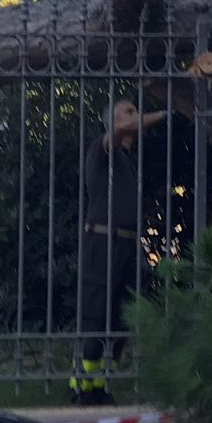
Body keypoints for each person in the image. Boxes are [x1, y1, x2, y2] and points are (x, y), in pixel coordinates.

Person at [70, 101, 166, 406]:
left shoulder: (126, 157)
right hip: (103, 241)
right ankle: (81, 385)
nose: (135, 116)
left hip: (126, 244)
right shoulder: (104, 149)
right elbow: (122, 129)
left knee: (121, 314)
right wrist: (164, 113)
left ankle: (98, 381)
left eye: (137, 110)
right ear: (112, 122)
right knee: (97, 312)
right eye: (129, 112)